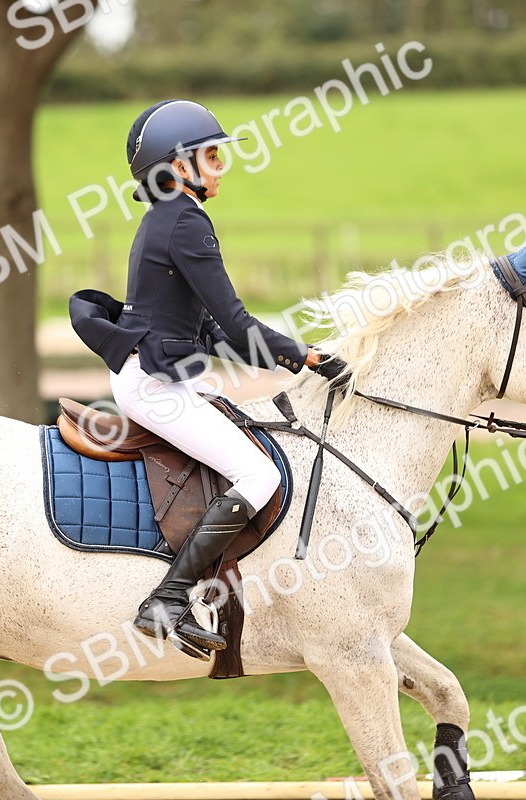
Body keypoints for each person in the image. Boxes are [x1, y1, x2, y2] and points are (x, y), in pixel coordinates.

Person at [70, 99, 346, 657]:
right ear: (178, 166)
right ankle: (168, 600)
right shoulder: (185, 221)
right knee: (259, 474)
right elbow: (235, 320)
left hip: (167, 376)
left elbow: (211, 335)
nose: (222, 165)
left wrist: (293, 357)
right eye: (212, 155)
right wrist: (305, 357)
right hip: (154, 385)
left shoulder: (168, 217)